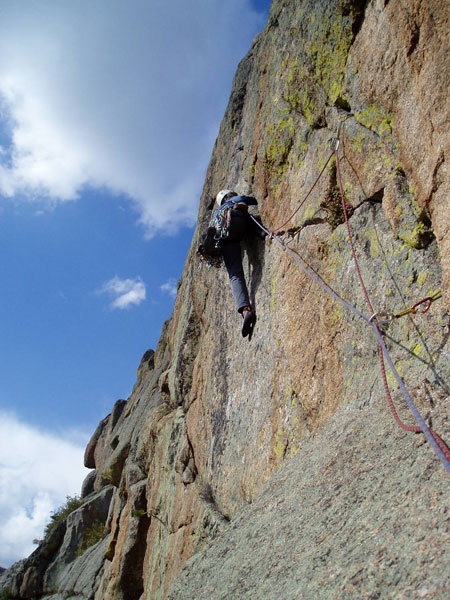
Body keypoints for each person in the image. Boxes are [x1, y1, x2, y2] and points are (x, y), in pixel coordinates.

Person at [213, 189, 261, 339]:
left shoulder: (216, 214)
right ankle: (261, 232)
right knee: (248, 216)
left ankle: (245, 310)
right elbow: (253, 200)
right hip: (237, 220)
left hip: (224, 238)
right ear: (229, 195)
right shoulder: (233, 200)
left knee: (235, 275)